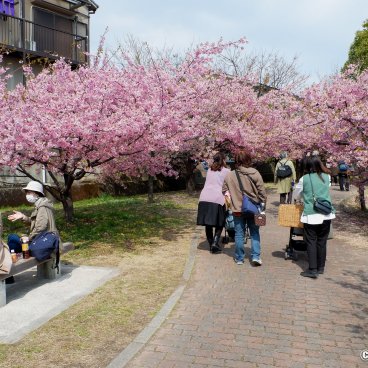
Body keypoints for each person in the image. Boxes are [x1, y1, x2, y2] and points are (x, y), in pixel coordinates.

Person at [222, 149, 267, 265]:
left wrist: (231, 201)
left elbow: (224, 190)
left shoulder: (230, 175)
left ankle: (239, 258)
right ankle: (256, 256)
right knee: (255, 232)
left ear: (236, 160)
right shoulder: (255, 173)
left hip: (237, 208)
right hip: (253, 208)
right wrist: (262, 203)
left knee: (239, 234)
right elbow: (262, 192)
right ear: (248, 159)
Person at [294, 156, 336, 278]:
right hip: (326, 213)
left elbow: (297, 195)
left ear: (307, 166)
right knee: (322, 241)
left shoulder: (304, 179)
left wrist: (304, 196)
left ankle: (312, 269)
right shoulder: (327, 177)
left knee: (311, 241)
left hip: (311, 214)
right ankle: (321, 267)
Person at [197, 153, 230, 253]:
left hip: (204, 197)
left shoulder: (210, 170)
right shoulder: (227, 171)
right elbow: (228, 184)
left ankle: (211, 244)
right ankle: (215, 243)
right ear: (223, 160)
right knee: (220, 222)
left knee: (208, 223)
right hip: (217, 198)